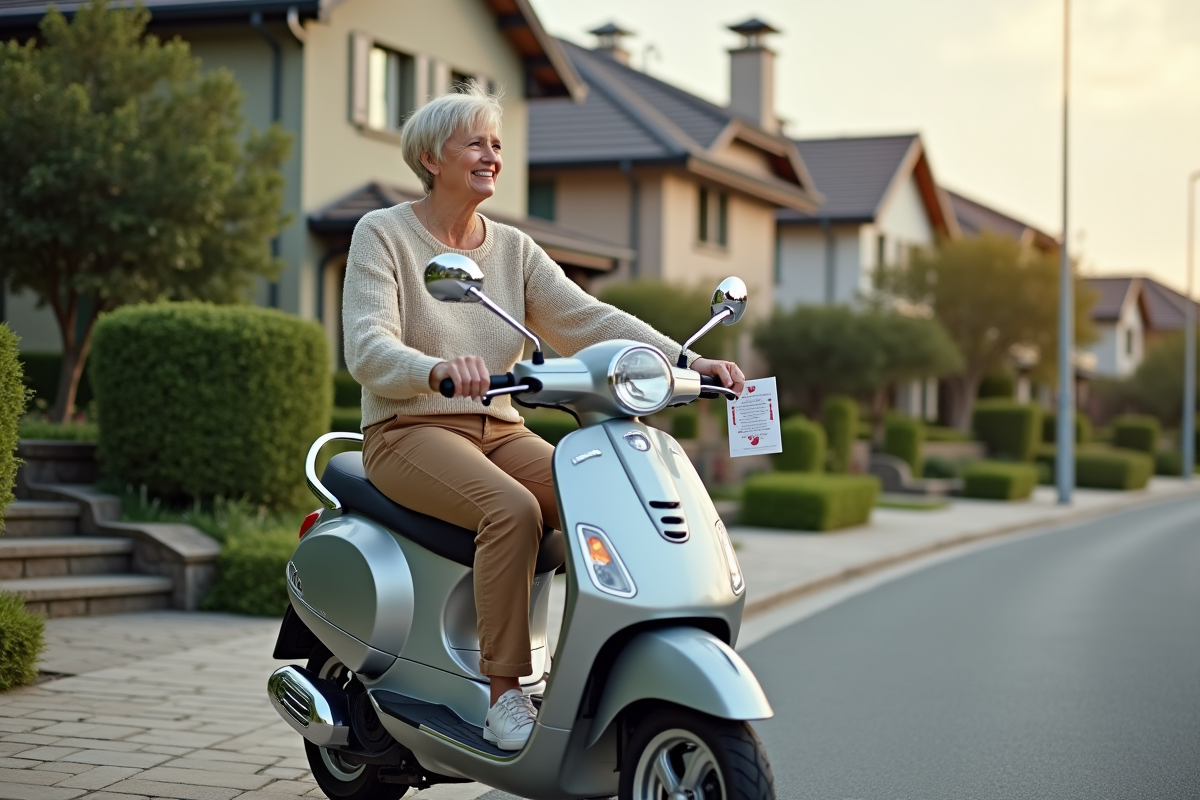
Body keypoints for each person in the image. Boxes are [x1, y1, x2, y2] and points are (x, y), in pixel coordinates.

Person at [342, 81, 745, 751]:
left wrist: (686, 360)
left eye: (497, 145)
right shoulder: (382, 234)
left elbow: (587, 319)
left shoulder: (512, 248)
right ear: (431, 158)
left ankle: (597, 665)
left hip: (501, 430)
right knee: (512, 510)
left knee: (608, 500)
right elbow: (367, 344)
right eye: (475, 144)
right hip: (409, 429)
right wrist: (434, 369)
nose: (492, 156)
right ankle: (504, 694)